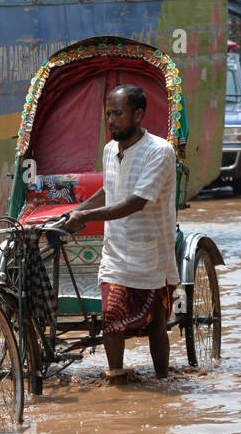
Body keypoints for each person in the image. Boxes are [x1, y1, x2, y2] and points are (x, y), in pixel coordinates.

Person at [57, 85, 178, 380]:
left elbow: (137, 201)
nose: (111, 120)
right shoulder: (110, 150)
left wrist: (85, 216)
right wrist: (75, 212)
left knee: (155, 323)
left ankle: (162, 382)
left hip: (150, 252)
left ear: (138, 115)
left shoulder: (159, 151)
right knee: (110, 318)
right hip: (115, 252)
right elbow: (109, 190)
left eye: (118, 114)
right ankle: (116, 379)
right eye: (108, 114)